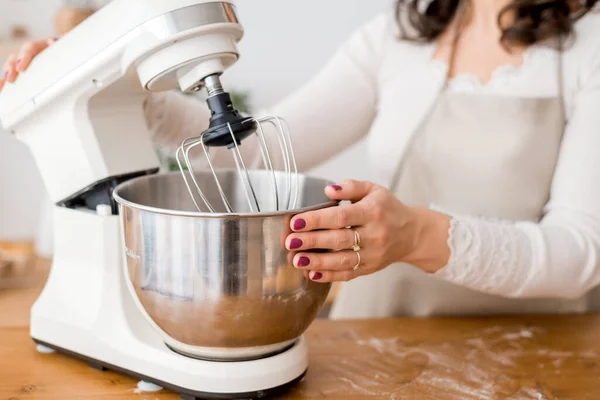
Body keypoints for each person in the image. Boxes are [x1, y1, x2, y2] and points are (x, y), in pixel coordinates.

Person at [2, 0, 600, 320]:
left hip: (538, 351)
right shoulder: (401, 32)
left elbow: (582, 253)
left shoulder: (588, 46)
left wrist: (415, 234)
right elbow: (253, 154)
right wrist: (105, 85)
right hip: (379, 336)